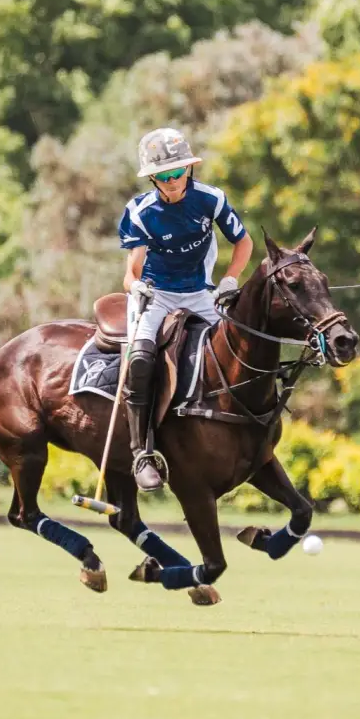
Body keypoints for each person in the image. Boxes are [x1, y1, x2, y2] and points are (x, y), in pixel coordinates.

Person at [118, 127, 253, 491]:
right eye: (164, 176)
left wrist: (230, 279)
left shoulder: (211, 200)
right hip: (156, 294)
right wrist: (140, 287)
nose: (173, 181)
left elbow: (243, 242)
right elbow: (130, 275)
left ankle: (252, 425)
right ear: (153, 179)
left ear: (189, 170)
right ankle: (141, 452)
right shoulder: (140, 211)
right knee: (142, 359)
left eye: (178, 172)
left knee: (242, 346)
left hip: (200, 292)